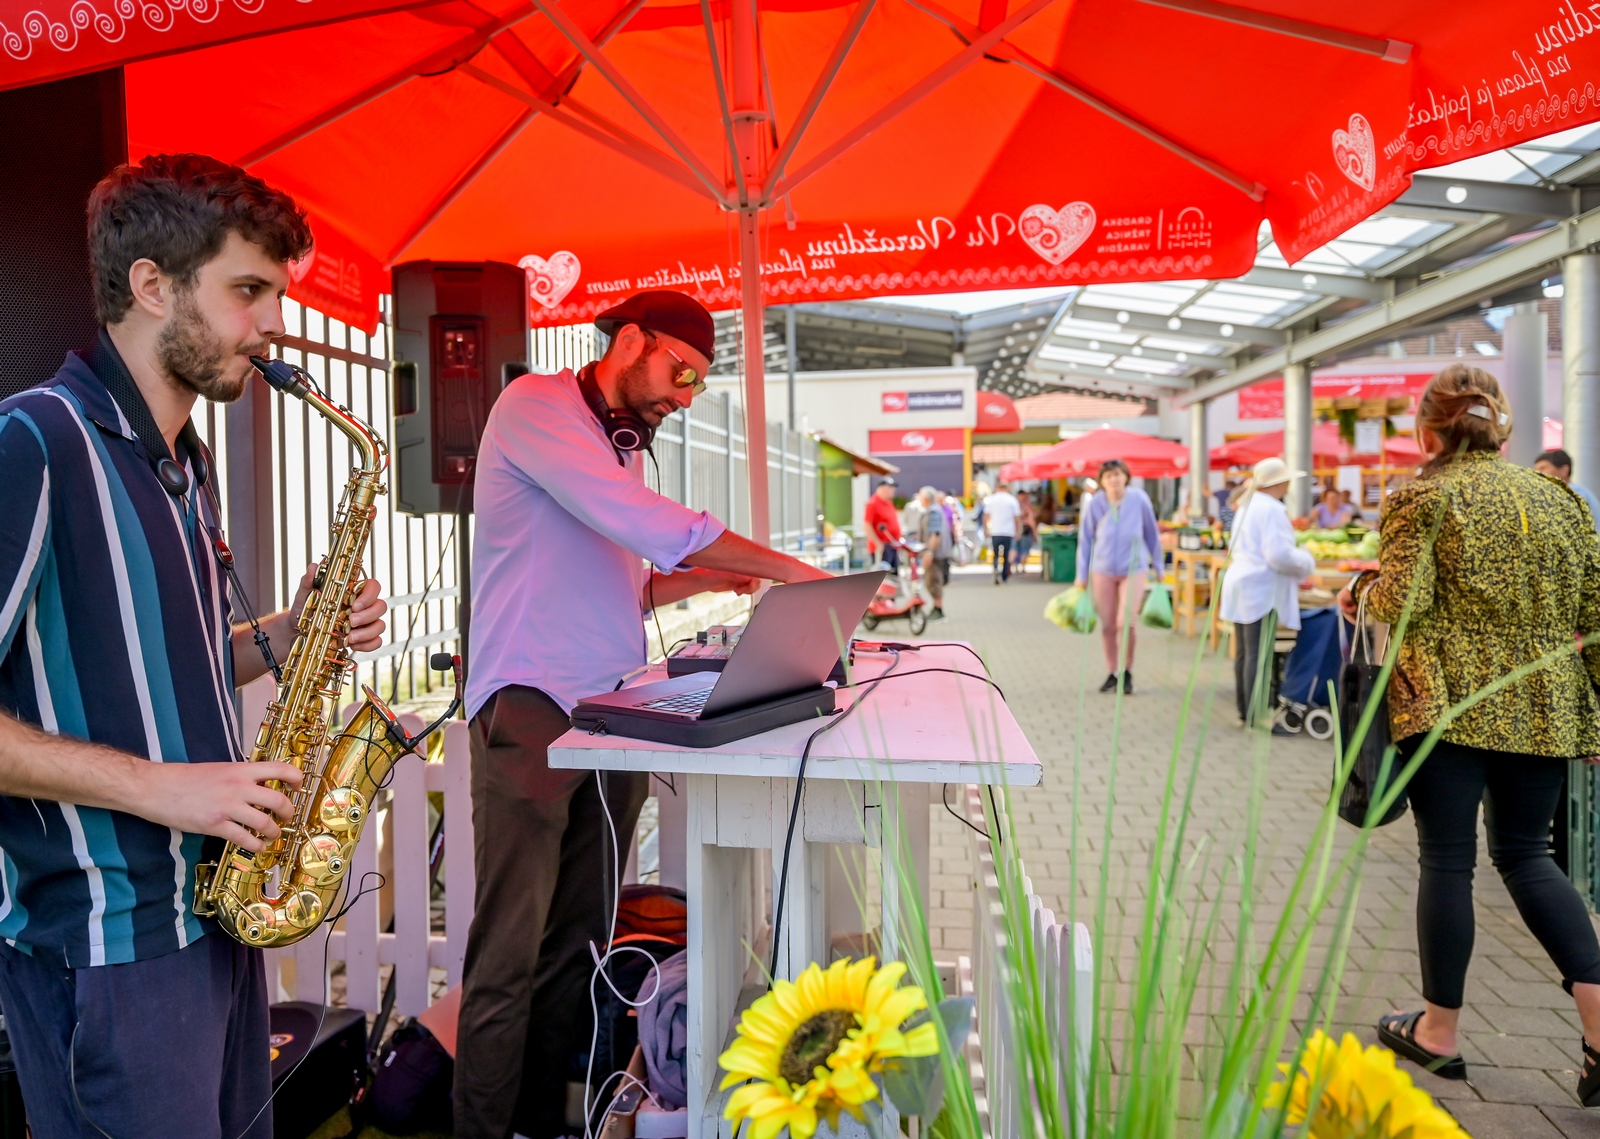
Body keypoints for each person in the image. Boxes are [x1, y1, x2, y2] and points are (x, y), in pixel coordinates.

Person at [0, 153, 389, 1139]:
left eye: (279, 294)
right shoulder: (33, 441)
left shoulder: (184, 464)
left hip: (215, 912)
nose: (274, 324)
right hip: (107, 944)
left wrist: (288, 635)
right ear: (152, 285)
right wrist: (161, 786)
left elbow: (168, 654)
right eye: (248, 291)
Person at [458, 290, 830, 1139]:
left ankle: (545, 1120)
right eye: (681, 373)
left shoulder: (617, 447)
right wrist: (787, 569)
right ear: (631, 340)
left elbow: (630, 581)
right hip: (531, 708)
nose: (685, 396)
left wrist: (709, 576)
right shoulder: (535, 407)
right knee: (508, 955)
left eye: (699, 384)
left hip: (607, 708)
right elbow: (662, 527)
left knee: (580, 942)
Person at [1334, 366, 1600, 1101]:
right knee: (1528, 855)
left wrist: (1357, 590)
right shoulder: (1563, 501)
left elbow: (1400, 596)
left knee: (1448, 860)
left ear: (1429, 431)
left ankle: (1439, 1033)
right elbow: (1596, 611)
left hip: (1446, 700)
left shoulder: (1421, 495)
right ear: (1504, 428)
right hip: (1545, 702)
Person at [1218, 457, 1314, 727]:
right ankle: (1258, 715)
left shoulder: (1247, 505)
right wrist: (1305, 561)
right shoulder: (1271, 508)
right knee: (1258, 653)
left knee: (1246, 652)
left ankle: (1246, 710)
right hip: (1260, 585)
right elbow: (1278, 555)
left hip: (1243, 582)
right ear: (1280, 482)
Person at [1075, 460, 1161, 694]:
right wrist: (1081, 575)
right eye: (1108, 476)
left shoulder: (1139, 499)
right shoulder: (1096, 504)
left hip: (1134, 568)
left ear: (1126, 477)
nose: (1113, 480)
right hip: (1102, 570)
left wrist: (1160, 567)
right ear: (1102, 482)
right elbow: (1085, 541)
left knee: (1126, 622)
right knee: (1108, 625)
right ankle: (1113, 671)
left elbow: (1152, 533)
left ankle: (1127, 670)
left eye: (1117, 475)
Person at [1534, 448, 1600, 533]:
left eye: (1543, 468)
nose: (1537, 473)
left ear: (1564, 470)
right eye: (1536, 469)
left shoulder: (1574, 493)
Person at [917, 485, 949, 620]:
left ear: (925, 498)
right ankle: (937, 609)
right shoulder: (936, 510)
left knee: (933, 582)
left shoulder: (933, 512)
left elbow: (935, 534)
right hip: (940, 553)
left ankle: (938, 610)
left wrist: (929, 552)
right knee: (934, 581)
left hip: (936, 554)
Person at [983, 483, 1022, 583]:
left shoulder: (991, 499)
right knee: (1006, 554)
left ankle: (996, 568)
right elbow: (1017, 518)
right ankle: (1004, 575)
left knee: (996, 554)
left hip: (995, 531)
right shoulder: (1012, 500)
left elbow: (986, 516)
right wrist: (1018, 531)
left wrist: (985, 529)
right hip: (1008, 532)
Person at [864, 476, 902, 569]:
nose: (893, 490)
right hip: (882, 547)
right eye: (891, 487)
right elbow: (867, 525)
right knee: (884, 576)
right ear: (882, 488)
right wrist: (878, 543)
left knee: (893, 575)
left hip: (893, 545)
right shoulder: (873, 503)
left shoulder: (889, 502)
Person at [1014, 490, 1038, 576]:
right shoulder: (1028, 506)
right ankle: (1022, 568)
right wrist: (1035, 531)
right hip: (1025, 530)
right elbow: (1031, 520)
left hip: (1015, 530)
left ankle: (1015, 567)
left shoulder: (1014, 505)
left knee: (1015, 549)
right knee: (1024, 549)